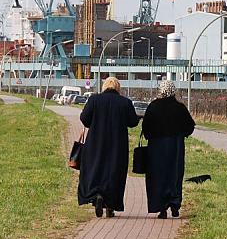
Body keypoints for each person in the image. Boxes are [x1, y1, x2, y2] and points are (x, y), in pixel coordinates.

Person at [78, 76, 140, 217]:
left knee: (96, 169)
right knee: (114, 172)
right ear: (118, 88)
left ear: (104, 86)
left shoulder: (94, 100)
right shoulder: (125, 102)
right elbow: (132, 122)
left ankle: (97, 195)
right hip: (117, 145)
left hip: (96, 143)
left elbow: (84, 119)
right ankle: (110, 205)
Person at [141, 80, 195, 219]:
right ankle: (174, 204)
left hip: (156, 148)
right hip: (175, 146)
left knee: (158, 176)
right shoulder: (179, 107)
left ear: (161, 91)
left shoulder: (153, 106)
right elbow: (190, 126)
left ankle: (162, 207)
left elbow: (146, 127)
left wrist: (150, 136)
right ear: (173, 91)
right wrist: (183, 134)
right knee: (175, 174)